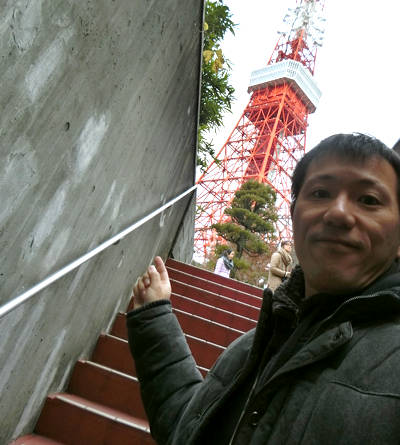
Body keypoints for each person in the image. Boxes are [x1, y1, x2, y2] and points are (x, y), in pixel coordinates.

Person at [127, 133, 400, 445]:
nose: (338, 212)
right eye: (320, 192)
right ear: (294, 217)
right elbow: (188, 430)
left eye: (368, 200)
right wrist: (154, 316)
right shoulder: (251, 347)